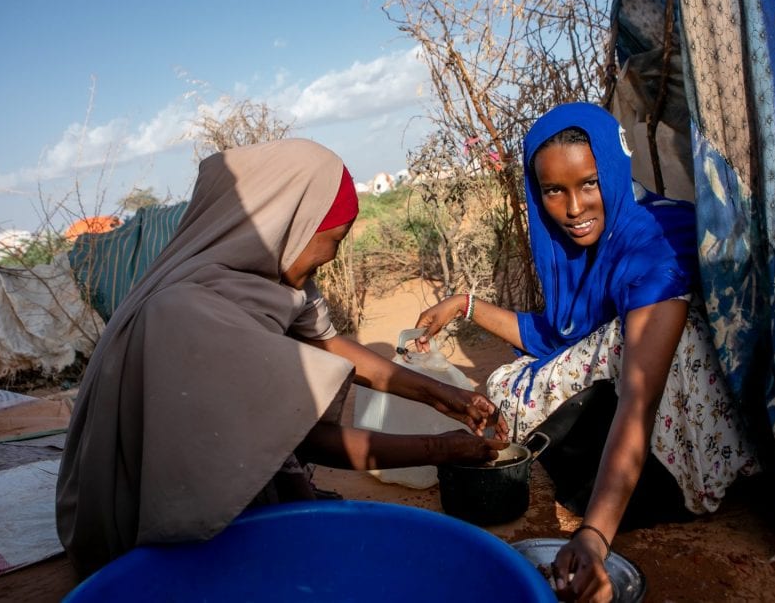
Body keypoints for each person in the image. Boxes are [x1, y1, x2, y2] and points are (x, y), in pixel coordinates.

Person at [56, 139, 507, 577]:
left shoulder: (268, 278)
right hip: (133, 531)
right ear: (284, 225)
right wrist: (439, 450)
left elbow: (328, 343)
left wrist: (442, 395)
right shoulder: (187, 310)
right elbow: (301, 439)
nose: (331, 257)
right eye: (331, 240)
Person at [414, 103, 754, 602]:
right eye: (554, 191)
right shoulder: (583, 249)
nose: (573, 209)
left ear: (614, 170)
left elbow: (639, 398)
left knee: (517, 386)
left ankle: (645, 496)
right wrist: (465, 304)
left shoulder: (657, 244)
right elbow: (554, 333)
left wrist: (593, 538)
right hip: (640, 408)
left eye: (589, 184)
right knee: (515, 377)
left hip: (684, 444)